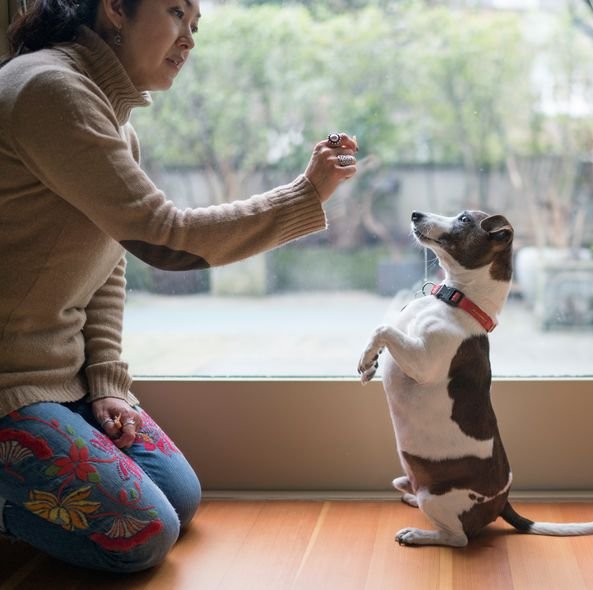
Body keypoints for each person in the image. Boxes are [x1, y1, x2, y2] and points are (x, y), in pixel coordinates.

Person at [0, 0, 357, 572]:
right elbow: (165, 240)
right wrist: (303, 196)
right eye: (175, 13)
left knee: (179, 496)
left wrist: (106, 381)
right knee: (140, 532)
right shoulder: (50, 90)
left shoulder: (106, 111)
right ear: (116, 9)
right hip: (7, 385)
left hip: (57, 381)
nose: (188, 39)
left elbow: (111, 260)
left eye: (196, 24)